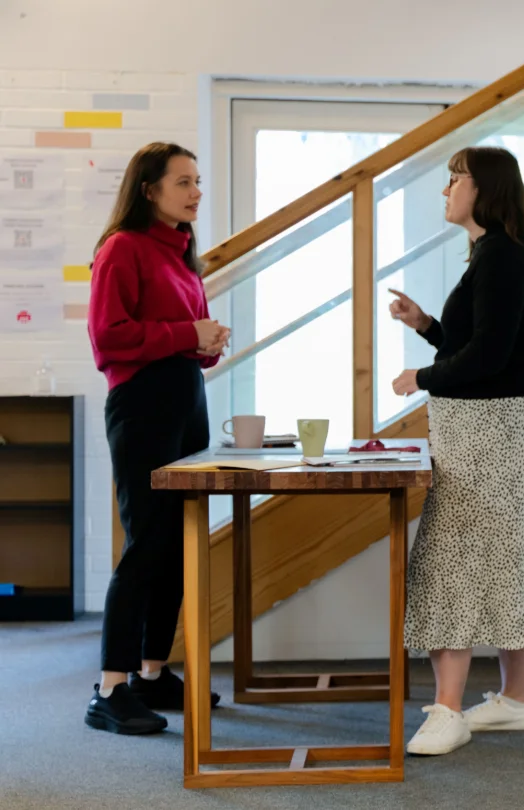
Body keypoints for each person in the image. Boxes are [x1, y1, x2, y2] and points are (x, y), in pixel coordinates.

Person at [388, 146, 524, 756]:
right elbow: (482, 342)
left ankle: (450, 712)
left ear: (484, 189)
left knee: (450, 564)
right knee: (506, 561)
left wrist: (420, 378)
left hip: (490, 434)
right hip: (493, 430)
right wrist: (427, 325)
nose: (447, 190)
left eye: (455, 179)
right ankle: (515, 700)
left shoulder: (501, 259)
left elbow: (487, 359)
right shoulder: (494, 257)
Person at [85, 142, 230, 735]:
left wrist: (205, 346)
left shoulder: (181, 254)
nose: (196, 192)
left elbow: (179, 346)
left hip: (182, 403)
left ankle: (150, 672)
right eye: (183, 182)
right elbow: (108, 341)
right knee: (146, 541)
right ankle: (109, 688)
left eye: (197, 181)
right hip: (141, 407)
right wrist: (184, 334)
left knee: (175, 542)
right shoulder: (122, 248)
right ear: (149, 189)